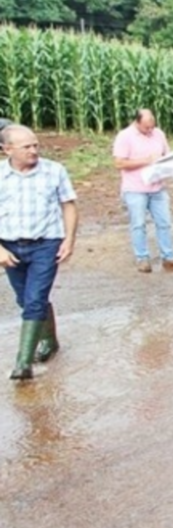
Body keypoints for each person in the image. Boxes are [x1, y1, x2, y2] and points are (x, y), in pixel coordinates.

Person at [0, 124, 78, 380]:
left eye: (35, 145)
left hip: (46, 243)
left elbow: (68, 205)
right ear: (7, 149)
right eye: (27, 147)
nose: (34, 150)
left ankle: (23, 363)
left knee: (34, 300)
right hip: (10, 246)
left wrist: (69, 239)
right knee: (26, 299)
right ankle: (50, 341)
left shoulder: (54, 171)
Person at [112, 109, 173, 273]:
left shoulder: (158, 134)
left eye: (152, 127)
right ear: (136, 122)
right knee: (138, 224)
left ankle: (169, 258)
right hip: (135, 188)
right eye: (146, 128)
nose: (150, 130)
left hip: (157, 186)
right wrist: (146, 161)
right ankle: (142, 259)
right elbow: (119, 163)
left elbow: (166, 155)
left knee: (164, 223)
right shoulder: (125, 136)